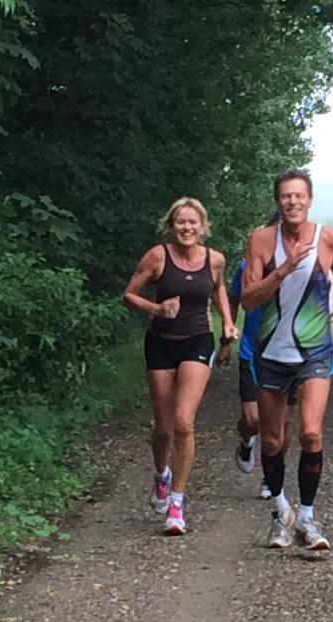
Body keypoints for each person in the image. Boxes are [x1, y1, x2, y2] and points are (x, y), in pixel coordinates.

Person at [241, 169, 333, 550]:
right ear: (278, 201)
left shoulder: (327, 238)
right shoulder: (260, 240)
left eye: (298, 196)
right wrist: (285, 268)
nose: (292, 202)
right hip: (271, 351)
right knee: (273, 441)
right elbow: (249, 299)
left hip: (314, 350)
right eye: (285, 196)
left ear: (309, 199)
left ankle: (306, 517)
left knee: (310, 432)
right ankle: (280, 511)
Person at [123, 197, 236, 535]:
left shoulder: (214, 259)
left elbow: (219, 292)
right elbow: (129, 293)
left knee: (184, 422)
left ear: (203, 227)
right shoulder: (158, 256)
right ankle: (161, 474)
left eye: (193, 222)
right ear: (171, 226)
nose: (187, 228)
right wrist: (155, 309)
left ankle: (177, 503)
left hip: (197, 341)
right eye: (180, 222)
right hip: (160, 343)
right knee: (164, 426)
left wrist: (228, 325)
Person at [220, 212, 292, 500]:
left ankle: (270, 476)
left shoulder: (300, 267)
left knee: (281, 424)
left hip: (288, 354)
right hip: (253, 350)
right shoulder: (245, 266)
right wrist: (226, 340)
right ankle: (247, 439)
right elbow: (234, 302)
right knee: (253, 419)